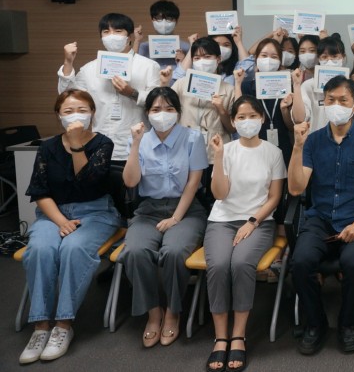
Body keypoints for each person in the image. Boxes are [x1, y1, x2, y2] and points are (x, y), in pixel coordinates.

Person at [19, 90, 123, 364]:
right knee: (40, 249)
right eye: (68, 111)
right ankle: (40, 326)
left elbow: (88, 182)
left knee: (74, 249)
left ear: (92, 113)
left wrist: (77, 144)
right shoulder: (47, 147)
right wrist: (61, 221)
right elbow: (39, 192)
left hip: (95, 212)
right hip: (53, 214)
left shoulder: (103, 143)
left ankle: (64, 325)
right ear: (58, 115)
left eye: (82, 110)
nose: (75, 115)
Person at [287, 76, 354, 355]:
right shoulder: (313, 140)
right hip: (321, 219)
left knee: (353, 263)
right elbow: (296, 188)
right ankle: (316, 322)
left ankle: (346, 322)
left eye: (343, 100)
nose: (336, 105)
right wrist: (297, 146)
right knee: (301, 261)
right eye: (331, 100)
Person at [122, 87, 209, 348]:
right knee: (134, 251)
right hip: (149, 210)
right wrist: (135, 144)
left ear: (178, 112)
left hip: (187, 209)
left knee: (174, 252)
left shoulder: (193, 137)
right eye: (156, 109)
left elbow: (193, 182)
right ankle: (153, 312)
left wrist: (176, 218)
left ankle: (173, 310)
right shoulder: (140, 139)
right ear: (147, 113)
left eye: (169, 109)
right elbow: (130, 181)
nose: (163, 114)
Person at [204, 96, 285, 372]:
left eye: (252, 116)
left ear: (262, 119)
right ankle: (220, 337)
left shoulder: (273, 152)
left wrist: (252, 221)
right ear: (233, 121)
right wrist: (218, 157)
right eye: (241, 117)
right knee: (217, 266)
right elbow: (219, 194)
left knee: (240, 264)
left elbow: (274, 197)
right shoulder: (225, 149)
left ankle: (238, 335)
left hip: (259, 221)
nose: (247, 121)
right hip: (222, 220)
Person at [58, 13, 161, 161]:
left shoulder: (148, 66)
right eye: (106, 32)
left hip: (137, 146)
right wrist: (68, 62)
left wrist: (132, 93)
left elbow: (158, 103)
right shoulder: (90, 69)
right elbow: (67, 97)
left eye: (118, 31)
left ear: (129, 36)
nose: (111, 36)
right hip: (99, 146)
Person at [165, 37, 236, 164]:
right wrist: (164, 84)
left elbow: (232, 129)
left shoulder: (229, 90)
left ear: (218, 59)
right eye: (197, 58)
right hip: (185, 151)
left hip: (215, 154)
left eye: (207, 57)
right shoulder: (181, 84)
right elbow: (166, 111)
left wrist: (221, 110)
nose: (202, 61)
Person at [233, 37, 294, 166]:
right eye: (264, 55)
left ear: (280, 61)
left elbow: (290, 126)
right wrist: (238, 84)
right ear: (256, 59)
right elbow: (238, 114)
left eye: (274, 56)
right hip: (254, 146)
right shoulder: (247, 86)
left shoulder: (287, 87)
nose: (268, 60)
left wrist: (284, 110)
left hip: (283, 146)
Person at [292, 35, 347, 133]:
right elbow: (299, 119)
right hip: (317, 139)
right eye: (324, 57)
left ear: (343, 57)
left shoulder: (350, 86)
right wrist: (296, 85)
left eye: (334, 56)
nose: (329, 61)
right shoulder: (308, 86)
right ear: (319, 59)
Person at [137, 0, 191, 71]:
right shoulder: (143, 47)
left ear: (176, 21)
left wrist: (183, 62)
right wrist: (137, 41)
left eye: (169, 18)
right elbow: (135, 69)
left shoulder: (186, 48)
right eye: (159, 18)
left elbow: (191, 73)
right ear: (152, 20)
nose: (164, 22)